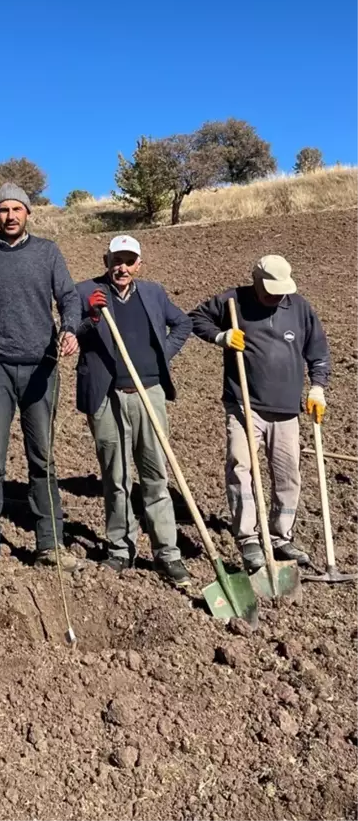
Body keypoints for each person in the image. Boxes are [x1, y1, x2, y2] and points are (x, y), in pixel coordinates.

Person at [0, 183, 81, 590]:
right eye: (3, 210)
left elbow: (68, 298)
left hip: (40, 368)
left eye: (17, 209)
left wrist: (70, 329)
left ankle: (50, 544)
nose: (10, 216)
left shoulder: (47, 252)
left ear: (28, 213)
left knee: (42, 459)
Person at [190, 254, 331, 571]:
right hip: (244, 404)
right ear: (255, 280)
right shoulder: (232, 301)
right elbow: (196, 318)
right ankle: (249, 539)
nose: (276, 296)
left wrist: (318, 387)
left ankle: (281, 536)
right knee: (241, 468)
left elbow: (318, 352)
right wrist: (221, 336)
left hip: (287, 409)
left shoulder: (299, 308)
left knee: (288, 475)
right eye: (270, 289)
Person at [75, 235, 193, 584]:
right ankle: (120, 549)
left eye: (129, 261)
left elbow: (182, 323)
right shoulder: (85, 292)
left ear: (138, 264)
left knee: (155, 475)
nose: (122, 267)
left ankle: (167, 553)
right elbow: (69, 333)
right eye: (116, 260)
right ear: (106, 259)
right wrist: (91, 317)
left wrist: (162, 356)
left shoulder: (153, 293)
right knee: (116, 476)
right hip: (107, 395)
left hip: (149, 394)